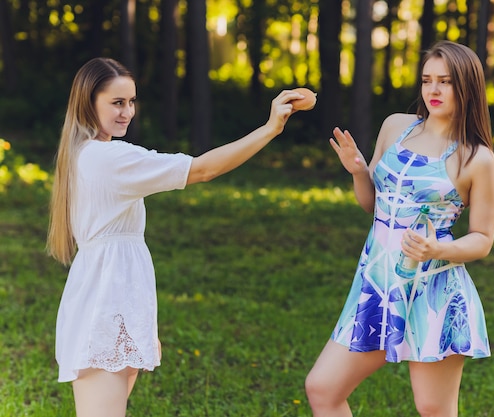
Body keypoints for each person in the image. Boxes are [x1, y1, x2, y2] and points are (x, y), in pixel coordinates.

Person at [46, 57, 303, 417]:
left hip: (111, 300)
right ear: (88, 102)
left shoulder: (89, 153)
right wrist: (270, 129)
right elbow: (202, 169)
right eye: (117, 103)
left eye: (132, 101)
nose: (128, 112)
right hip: (103, 307)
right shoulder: (107, 158)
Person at [305, 40, 494, 417]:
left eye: (446, 81)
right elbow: (373, 206)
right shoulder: (396, 126)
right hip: (377, 283)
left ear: (468, 87)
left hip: (433, 289)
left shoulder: (477, 158)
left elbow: (483, 240)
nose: (434, 90)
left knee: (433, 410)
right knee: (322, 389)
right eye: (427, 80)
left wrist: (436, 249)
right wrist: (359, 171)